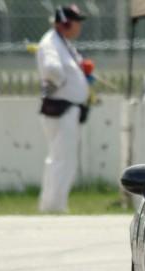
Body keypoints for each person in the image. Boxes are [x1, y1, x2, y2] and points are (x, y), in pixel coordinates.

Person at [36, 4, 91, 213]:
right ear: (65, 23)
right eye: (76, 22)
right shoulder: (51, 43)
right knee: (62, 160)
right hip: (62, 110)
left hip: (66, 110)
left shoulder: (61, 43)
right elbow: (52, 69)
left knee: (60, 158)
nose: (79, 26)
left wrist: (81, 69)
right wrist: (63, 82)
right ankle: (54, 206)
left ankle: (52, 204)